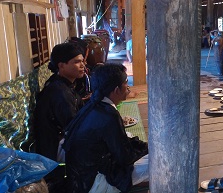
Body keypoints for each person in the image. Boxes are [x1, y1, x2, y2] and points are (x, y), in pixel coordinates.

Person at [63, 63, 148, 193]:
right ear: (116, 90)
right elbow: (125, 157)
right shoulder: (109, 115)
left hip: (79, 179)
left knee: (134, 141)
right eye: (126, 83)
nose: (128, 87)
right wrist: (146, 149)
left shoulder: (93, 105)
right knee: (156, 160)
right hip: (93, 183)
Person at [34, 42, 86, 192]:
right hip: (55, 147)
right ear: (61, 65)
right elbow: (74, 127)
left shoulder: (64, 84)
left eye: (82, 61)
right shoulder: (59, 92)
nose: (82, 65)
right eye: (76, 62)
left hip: (63, 137)